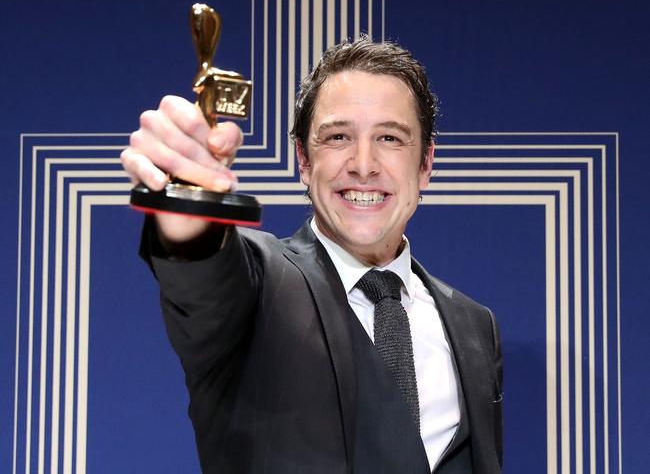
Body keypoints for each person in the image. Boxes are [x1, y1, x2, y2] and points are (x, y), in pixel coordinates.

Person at [121, 37, 503, 474]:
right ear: (304, 160)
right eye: (338, 136)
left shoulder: (476, 326)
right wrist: (186, 199)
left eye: (390, 138)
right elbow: (203, 275)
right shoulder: (259, 287)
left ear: (426, 163)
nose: (363, 164)